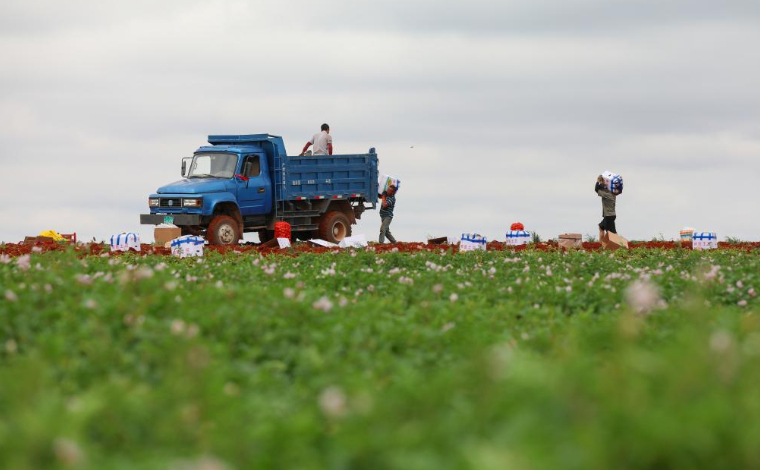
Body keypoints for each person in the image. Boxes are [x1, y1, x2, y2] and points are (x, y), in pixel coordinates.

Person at [595, 175, 617, 241]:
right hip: (610, 215)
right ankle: (601, 244)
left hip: (609, 216)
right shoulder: (612, 193)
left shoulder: (607, 195)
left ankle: (620, 244)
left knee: (612, 234)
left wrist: (598, 181)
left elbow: (596, 189)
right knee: (601, 227)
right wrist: (603, 182)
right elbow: (602, 187)